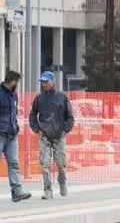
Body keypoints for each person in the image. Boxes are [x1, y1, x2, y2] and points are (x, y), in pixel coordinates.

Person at [29, 71, 74, 199]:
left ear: (53, 81)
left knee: (61, 163)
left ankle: (62, 182)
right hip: (44, 136)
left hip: (59, 136)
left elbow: (70, 117)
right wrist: (37, 129)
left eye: (46, 81)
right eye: (42, 82)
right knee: (44, 163)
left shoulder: (62, 97)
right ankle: (47, 190)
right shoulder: (39, 98)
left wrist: (65, 130)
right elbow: (32, 115)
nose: (44, 84)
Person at [0, 70, 30, 202]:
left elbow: (14, 113)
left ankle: (17, 192)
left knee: (14, 163)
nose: (17, 84)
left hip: (12, 134)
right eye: (16, 82)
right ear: (12, 81)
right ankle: (17, 191)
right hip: (0, 133)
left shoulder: (14, 95)